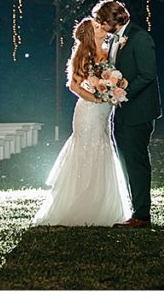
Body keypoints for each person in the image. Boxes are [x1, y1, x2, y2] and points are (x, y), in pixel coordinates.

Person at [32, 17, 132, 227]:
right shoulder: (82, 54)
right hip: (88, 110)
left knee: (103, 147)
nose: (102, 27)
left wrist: (114, 86)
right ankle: (82, 205)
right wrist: (96, 98)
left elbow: (112, 75)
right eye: (97, 26)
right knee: (88, 148)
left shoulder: (108, 51)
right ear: (89, 33)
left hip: (105, 110)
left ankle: (102, 203)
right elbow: (74, 86)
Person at [91, 0, 160, 229]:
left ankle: (142, 215)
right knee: (126, 162)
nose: (99, 25)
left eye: (101, 21)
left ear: (112, 20)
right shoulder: (115, 39)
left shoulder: (140, 37)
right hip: (121, 112)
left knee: (136, 162)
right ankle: (133, 209)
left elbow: (148, 74)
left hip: (138, 112)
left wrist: (124, 92)